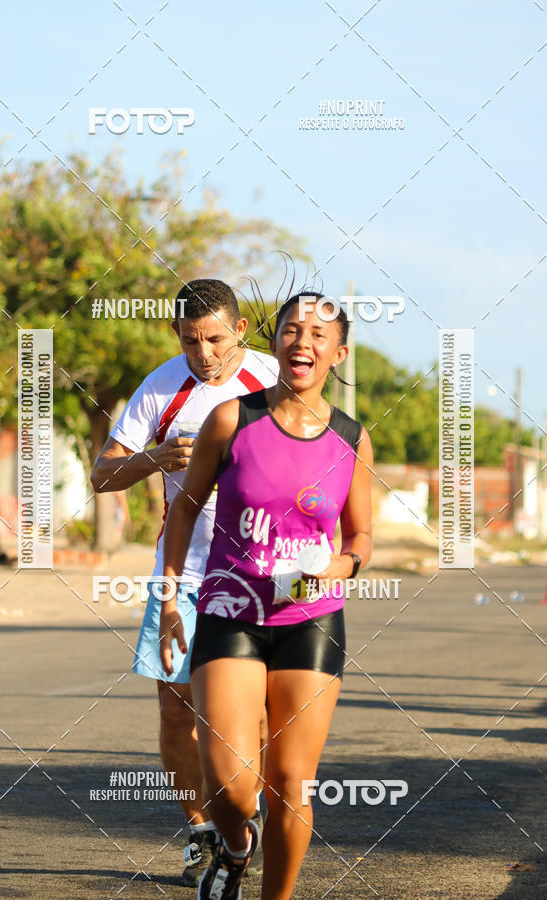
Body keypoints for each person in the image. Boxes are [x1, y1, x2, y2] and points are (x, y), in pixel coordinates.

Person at [159, 292, 373, 899]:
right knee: (230, 784)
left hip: (311, 616)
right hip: (229, 609)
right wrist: (171, 600)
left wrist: (346, 562)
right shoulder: (233, 419)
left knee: (292, 782)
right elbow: (184, 511)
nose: (302, 341)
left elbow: (361, 533)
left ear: (339, 352)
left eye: (317, 333)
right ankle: (233, 846)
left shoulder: (350, 439)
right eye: (291, 330)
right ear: (273, 341)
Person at [90, 279, 278, 884]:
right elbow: (102, 475)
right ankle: (201, 831)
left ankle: (246, 818)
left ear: (240, 331)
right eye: (193, 340)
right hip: (184, 572)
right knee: (177, 710)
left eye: (216, 339)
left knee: (252, 712)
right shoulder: (163, 386)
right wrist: (158, 458)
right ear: (177, 334)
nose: (205, 354)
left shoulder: (275, 382)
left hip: (260, 575)